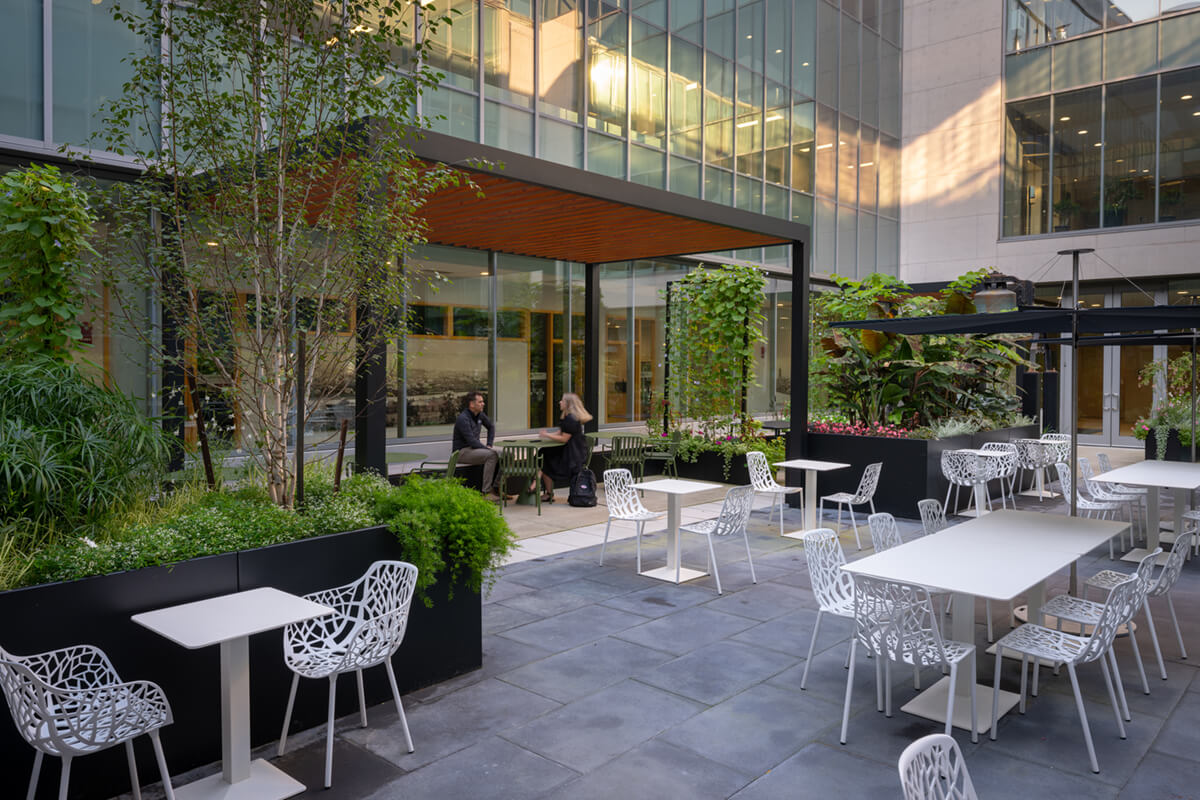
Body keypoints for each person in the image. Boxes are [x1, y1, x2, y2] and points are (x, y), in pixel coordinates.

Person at [535, 393, 593, 502]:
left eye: (562, 401)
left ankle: (540, 484)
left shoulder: (571, 419)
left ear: (568, 404)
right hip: (570, 451)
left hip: (573, 455)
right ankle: (541, 484)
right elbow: (560, 432)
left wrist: (546, 435)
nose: (560, 402)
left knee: (545, 460)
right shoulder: (567, 417)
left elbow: (564, 439)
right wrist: (547, 436)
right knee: (543, 453)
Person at [452, 391, 504, 499]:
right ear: (472, 404)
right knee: (492, 455)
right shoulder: (463, 418)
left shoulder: (480, 415)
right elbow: (471, 441)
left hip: (475, 450)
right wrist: (487, 449)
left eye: (483, 402)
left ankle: (497, 488)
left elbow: (491, 427)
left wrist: (489, 444)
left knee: (507, 455)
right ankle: (486, 492)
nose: (483, 404)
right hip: (462, 452)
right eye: (480, 402)